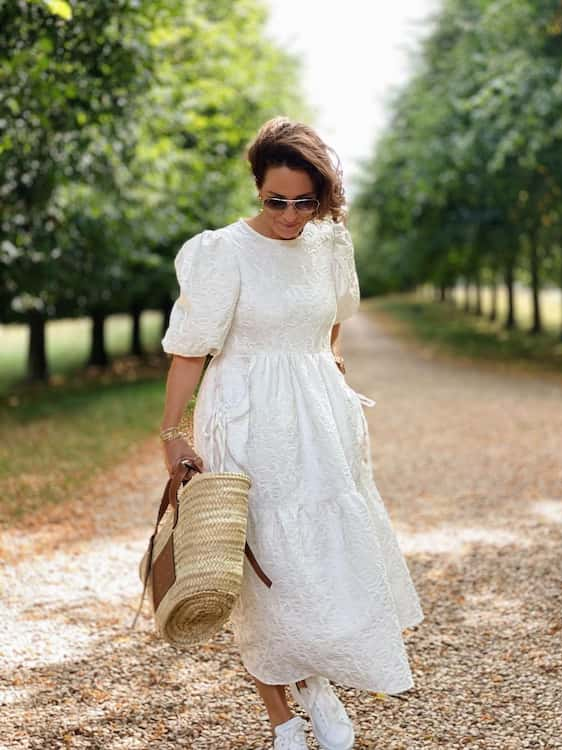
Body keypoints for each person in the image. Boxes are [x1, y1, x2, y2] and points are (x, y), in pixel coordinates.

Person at [158, 116, 424, 750]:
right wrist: (173, 431)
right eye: (277, 200)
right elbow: (191, 352)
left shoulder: (330, 243)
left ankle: (316, 685)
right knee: (261, 561)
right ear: (257, 188)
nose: (290, 214)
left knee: (324, 558)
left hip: (319, 417)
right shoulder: (221, 253)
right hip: (247, 413)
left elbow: (332, 324)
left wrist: (325, 369)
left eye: (304, 201)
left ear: (321, 196)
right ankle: (282, 717)